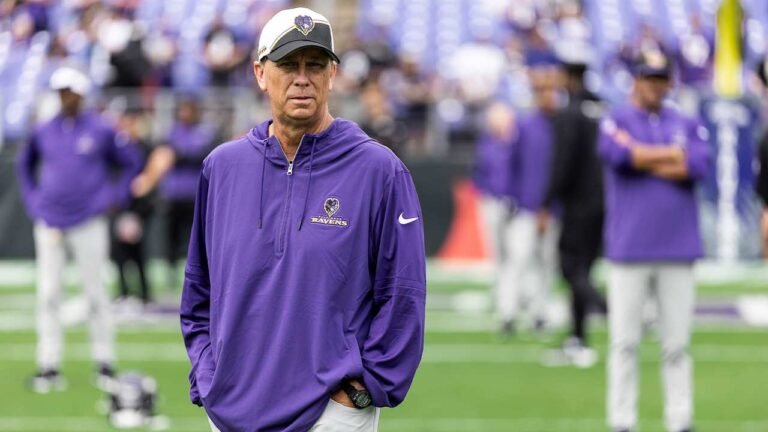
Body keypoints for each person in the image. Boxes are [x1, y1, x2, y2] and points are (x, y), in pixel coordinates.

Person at [179, 8, 427, 432]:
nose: (302, 78)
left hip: (331, 416)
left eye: (314, 65)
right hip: (229, 413)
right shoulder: (221, 167)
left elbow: (403, 293)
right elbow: (198, 289)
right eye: (287, 65)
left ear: (332, 74)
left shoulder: (378, 170)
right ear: (260, 73)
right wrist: (208, 375)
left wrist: (366, 389)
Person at [599, 50, 711, 432]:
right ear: (636, 80)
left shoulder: (686, 121)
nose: (655, 85)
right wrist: (670, 156)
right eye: (649, 78)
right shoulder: (616, 118)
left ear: (670, 83)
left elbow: (697, 164)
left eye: (661, 78)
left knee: (676, 343)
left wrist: (643, 156)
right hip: (629, 247)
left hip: (678, 248)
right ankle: (622, 421)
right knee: (624, 343)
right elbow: (618, 156)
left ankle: (680, 419)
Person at [16, 66, 143, 393]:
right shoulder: (44, 129)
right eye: (61, 91)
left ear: (81, 94)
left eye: (70, 91)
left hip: (88, 219)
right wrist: (34, 201)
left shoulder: (101, 129)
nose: (65, 97)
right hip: (50, 219)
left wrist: (114, 196)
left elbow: (131, 161)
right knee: (49, 293)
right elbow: (24, 165)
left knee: (96, 292)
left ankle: (104, 361)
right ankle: (49, 364)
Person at [540, 58, 607, 367]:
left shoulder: (569, 114)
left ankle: (608, 307)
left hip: (578, 203)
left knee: (570, 268)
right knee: (585, 269)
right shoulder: (602, 109)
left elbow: (563, 162)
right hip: (605, 202)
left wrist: (547, 201)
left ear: (568, 78)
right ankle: (578, 337)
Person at [497, 64, 561, 337]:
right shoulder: (524, 125)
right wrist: (511, 198)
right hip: (525, 207)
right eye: (542, 91)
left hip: (554, 209)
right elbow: (511, 163)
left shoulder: (561, 126)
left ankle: (540, 313)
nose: (547, 96)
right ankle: (507, 313)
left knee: (547, 264)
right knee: (518, 261)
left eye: (551, 91)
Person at [111, 109, 153, 307]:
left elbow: (148, 179)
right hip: (121, 207)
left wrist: (136, 212)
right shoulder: (119, 148)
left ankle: (144, 293)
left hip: (139, 207)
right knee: (119, 253)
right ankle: (124, 292)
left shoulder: (144, 148)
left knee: (138, 253)